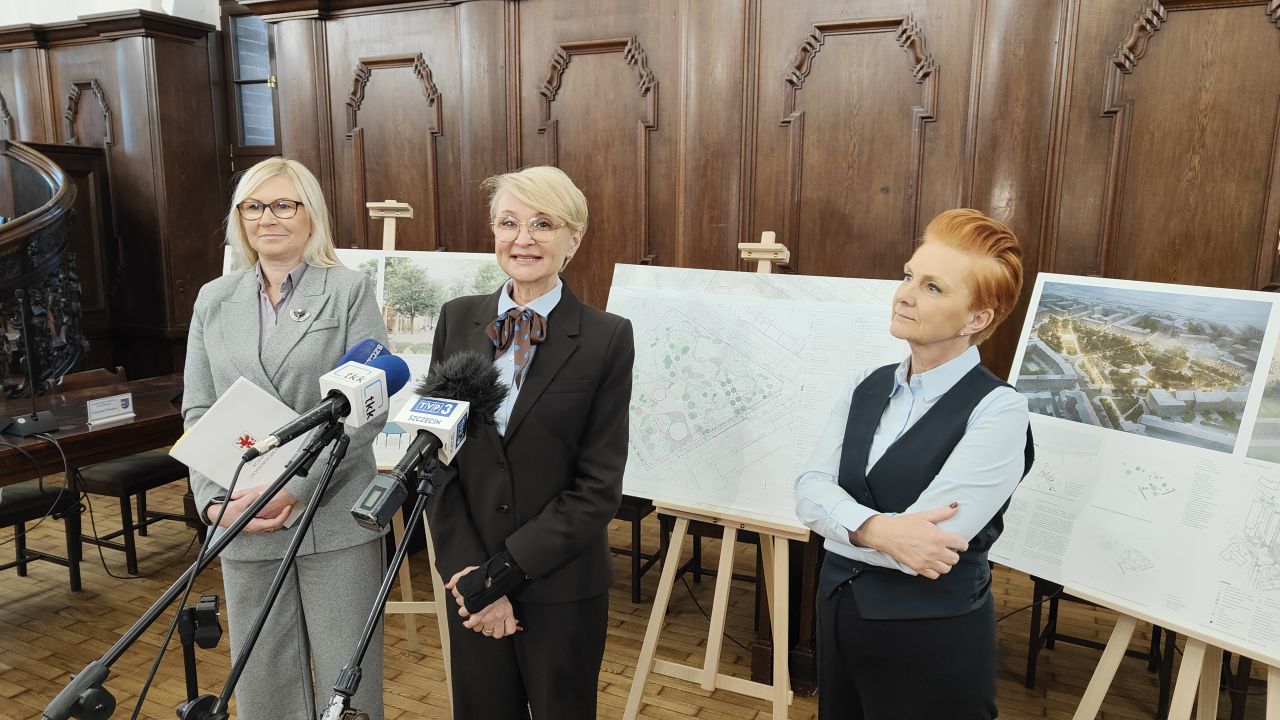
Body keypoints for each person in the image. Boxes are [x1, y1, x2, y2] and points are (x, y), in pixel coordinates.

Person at [794, 209, 1034, 720]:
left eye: (932, 287)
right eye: (908, 276)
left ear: (976, 319)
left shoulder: (999, 410)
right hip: (838, 618)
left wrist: (842, 523)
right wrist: (877, 530)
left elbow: (927, 550)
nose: (904, 294)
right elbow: (808, 491)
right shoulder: (867, 384)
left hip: (931, 640)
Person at [183, 158, 390, 720]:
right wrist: (213, 501)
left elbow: (365, 410)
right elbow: (198, 410)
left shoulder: (348, 291)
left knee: (348, 683)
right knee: (263, 680)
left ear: (310, 213)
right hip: (243, 514)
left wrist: (293, 486)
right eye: (253, 206)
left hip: (331, 511)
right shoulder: (213, 298)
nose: (266, 218)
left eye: (282, 204)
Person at [426, 165, 633, 719]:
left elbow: (598, 486)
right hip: (467, 581)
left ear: (574, 240)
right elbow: (435, 459)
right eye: (509, 222)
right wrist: (470, 575)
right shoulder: (456, 319)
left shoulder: (607, 337)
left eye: (543, 223)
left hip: (561, 586)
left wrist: (502, 576)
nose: (523, 238)